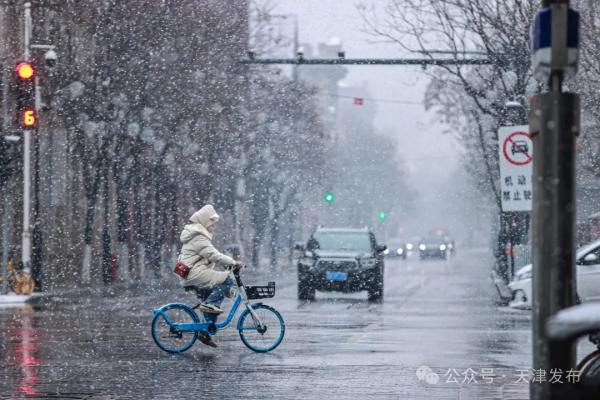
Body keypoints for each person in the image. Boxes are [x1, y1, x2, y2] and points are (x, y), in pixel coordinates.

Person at [179, 204, 243, 347]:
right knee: (227, 280)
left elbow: (210, 256)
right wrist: (233, 262)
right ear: (205, 221)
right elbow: (213, 254)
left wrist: (226, 263)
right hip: (194, 273)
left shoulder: (199, 234)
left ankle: (205, 332)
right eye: (212, 222)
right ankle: (209, 305)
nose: (214, 225)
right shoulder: (198, 236)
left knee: (213, 299)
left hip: (194, 272)